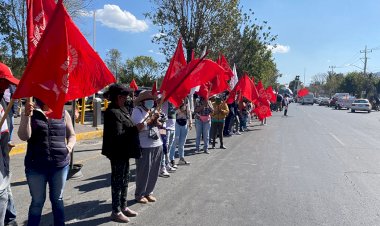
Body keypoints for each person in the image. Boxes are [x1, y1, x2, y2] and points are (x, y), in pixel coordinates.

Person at [18, 98, 76, 226]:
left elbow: (72, 134)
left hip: (60, 165)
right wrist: (27, 115)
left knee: (57, 199)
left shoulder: (62, 112)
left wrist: (69, 148)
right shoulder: (31, 111)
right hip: (36, 166)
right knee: (37, 202)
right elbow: (24, 136)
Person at [102, 84, 142, 223]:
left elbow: (128, 127)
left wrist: (137, 127)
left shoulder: (122, 109)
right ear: (119, 97)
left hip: (124, 152)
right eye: (124, 96)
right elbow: (118, 135)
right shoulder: (112, 112)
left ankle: (123, 207)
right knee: (117, 182)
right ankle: (115, 211)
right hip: (117, 152)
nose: (126, 98)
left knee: (125, 180)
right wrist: (136, 128)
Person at [131, 90, 163, 204]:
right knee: (144, 171)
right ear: (143, 101)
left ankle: (149, 192)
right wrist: (151, 120)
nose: (151, 102)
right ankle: (139, 194)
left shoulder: (152, 111)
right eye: (149, 100)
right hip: (144, 145)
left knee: (154, 170)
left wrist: (158, 122)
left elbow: (159, 126)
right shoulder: (137, 111)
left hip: (157, 143)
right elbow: (139, 126)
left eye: (152, 100)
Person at [0, 62, 19, 226]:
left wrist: (7, 144)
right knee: (2, 194)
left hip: (4, 157)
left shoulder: (3, 101)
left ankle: (11, 219)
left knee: (6, 191)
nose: (7, 86)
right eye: (4, 81)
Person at [169, 98, 192, 166]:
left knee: (182, 143)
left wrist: (190, 122)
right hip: (176, 123)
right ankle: (171, 159)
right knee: (174, 142)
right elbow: (172, 112)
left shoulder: (186, 100)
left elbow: (189, 111)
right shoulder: (174, 99)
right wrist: (179, 109)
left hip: (184, 122)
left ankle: (181, 159)